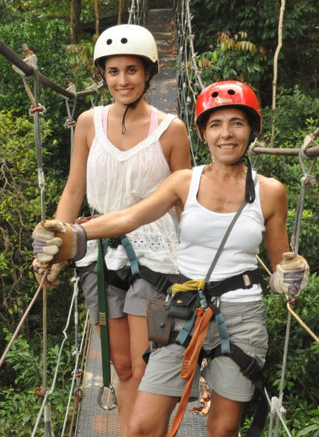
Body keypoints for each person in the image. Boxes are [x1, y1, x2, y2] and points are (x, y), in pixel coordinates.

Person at [32, 80, 309, 437]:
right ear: (203, 133)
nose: (226, 134)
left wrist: (290, 278)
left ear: (252, 130)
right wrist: (75, 236)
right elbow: (129, 217)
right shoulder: (183, 182)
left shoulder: (270, 192)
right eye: (215, 125)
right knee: (143, 428)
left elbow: (277, 264)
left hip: (241, 317)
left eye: (237, 123)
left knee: (223, 429)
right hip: (183, 311)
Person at [33, 23, 191, 437]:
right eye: (113, 71)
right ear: (102, 75)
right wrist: (53, 246)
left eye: (132, 70)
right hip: (99, 252)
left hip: (157, 256)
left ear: (148, 72)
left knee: (145, 365)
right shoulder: (87, 122)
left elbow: (186, 198)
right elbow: (73, 189)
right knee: (121, 367)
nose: (122, 80)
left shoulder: (171, 129)